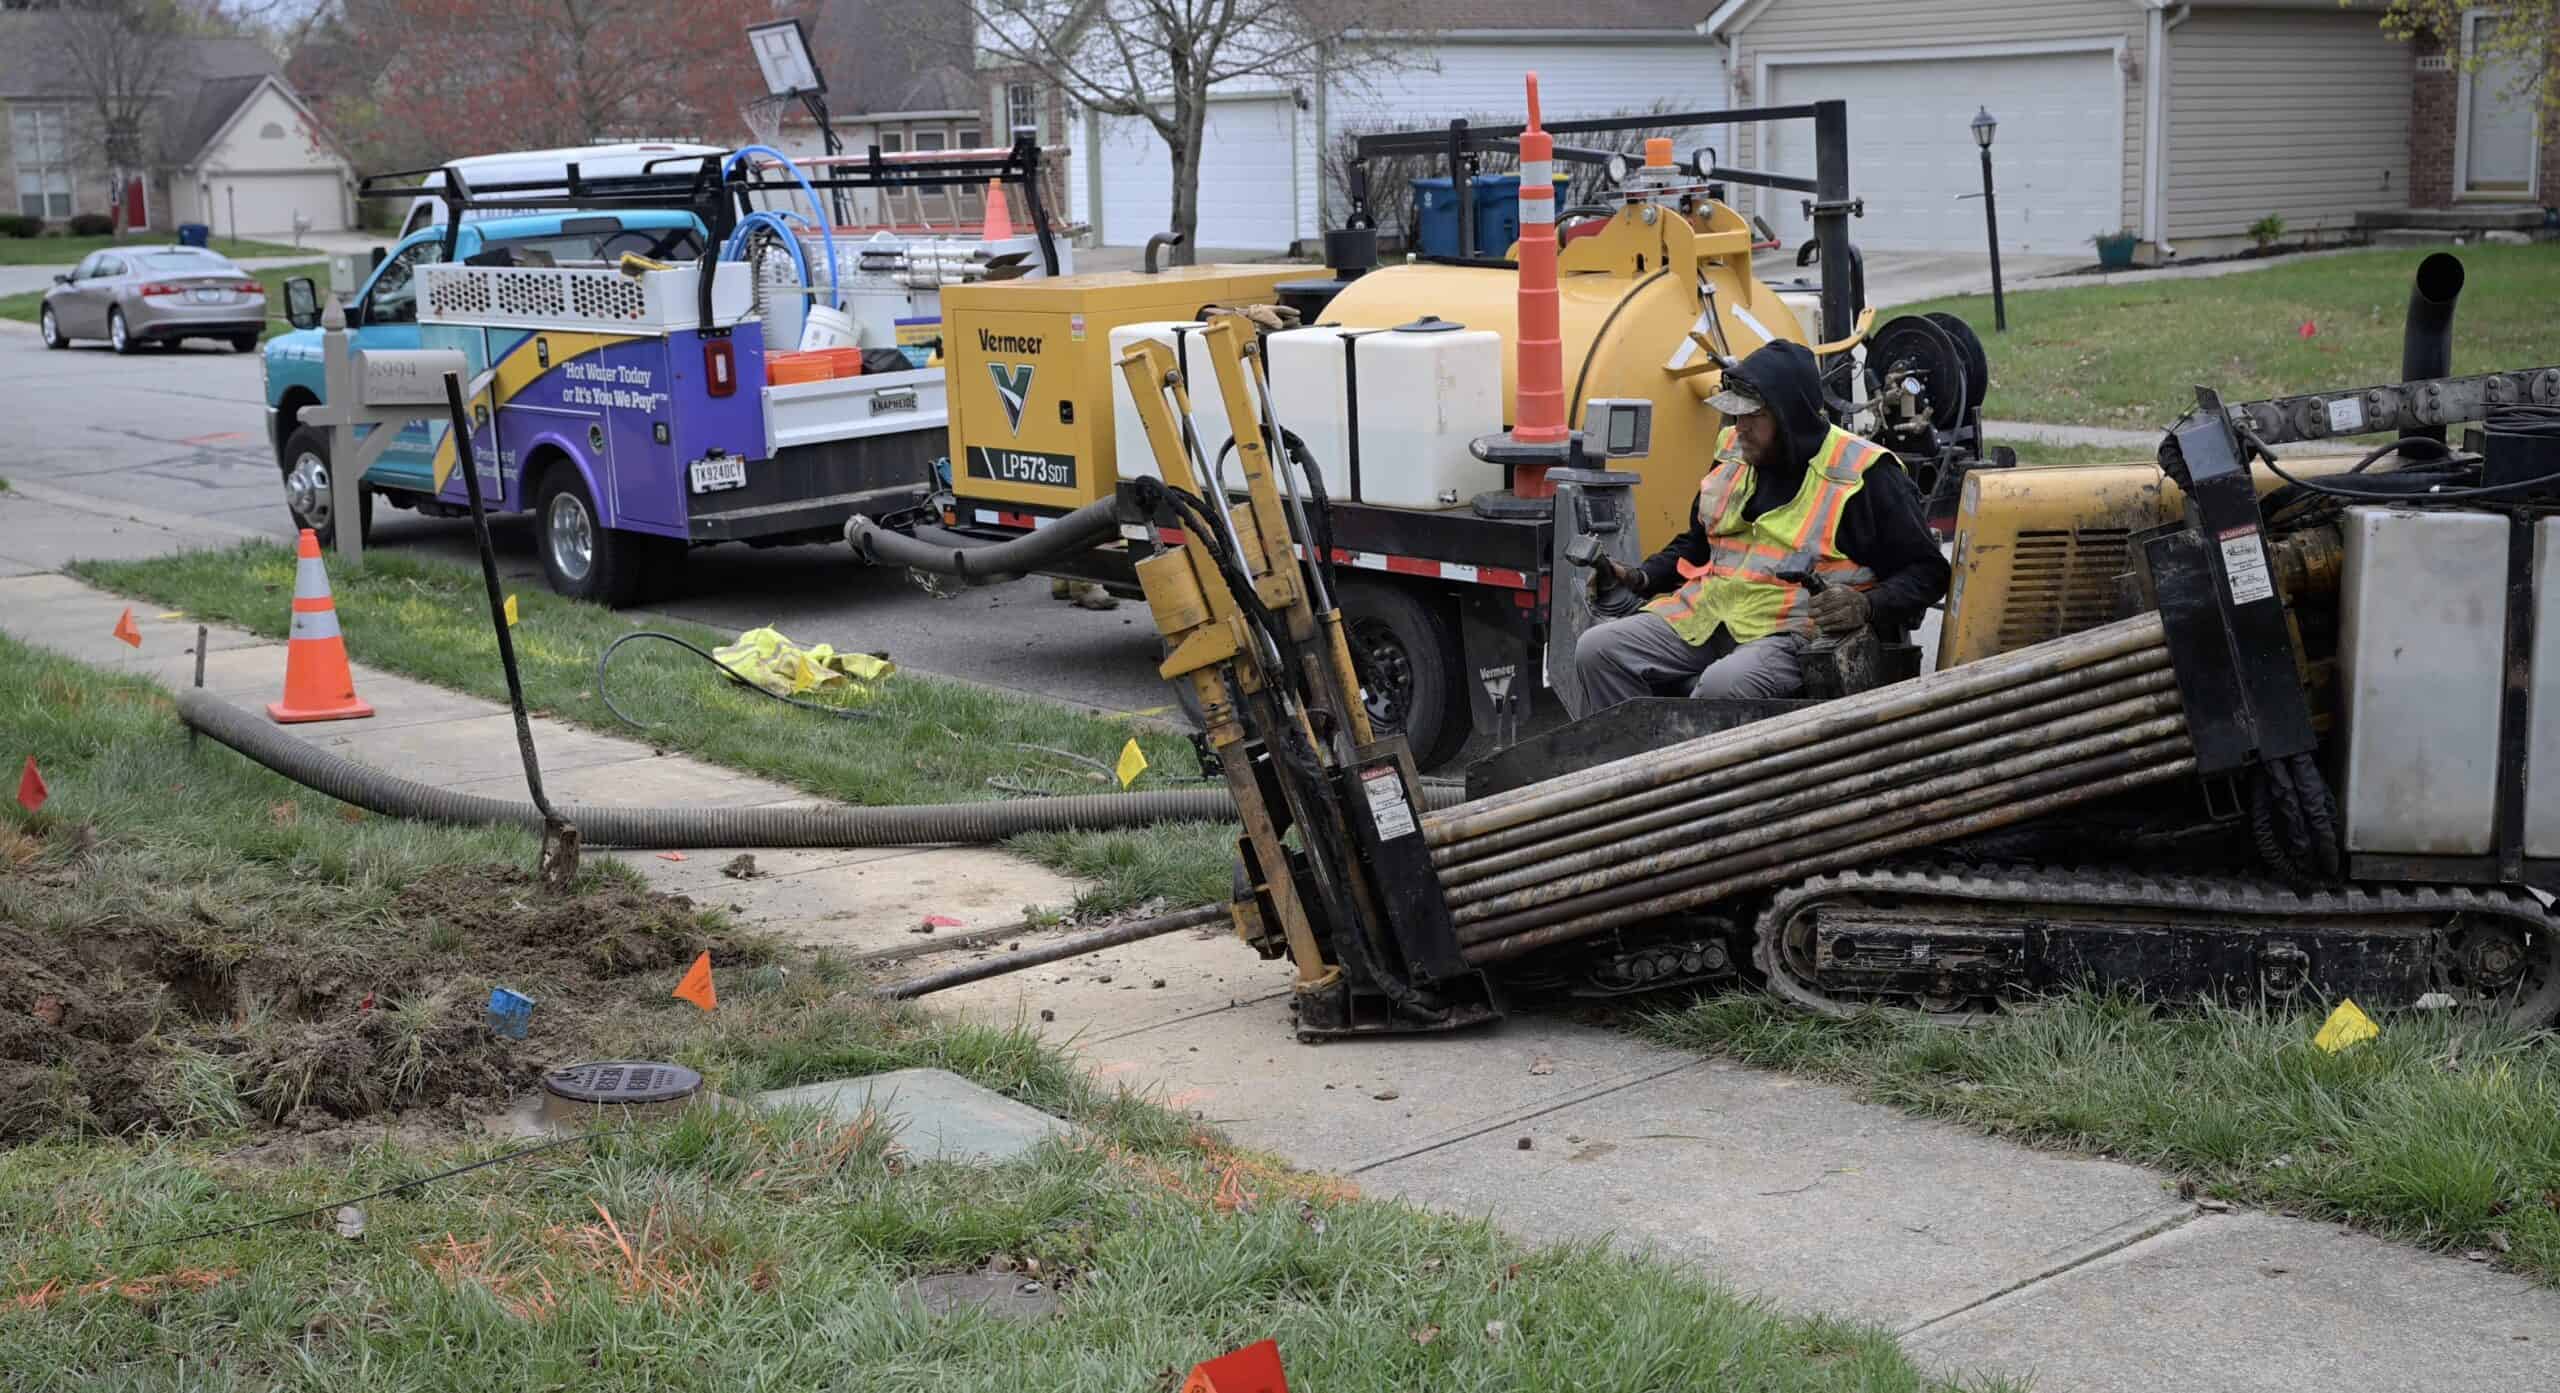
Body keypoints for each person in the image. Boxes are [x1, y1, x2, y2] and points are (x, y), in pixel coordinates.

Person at [1574, 339, 1949, 707]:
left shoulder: (1864, 474)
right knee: (1597, 651)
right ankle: (1632, 765)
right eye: (1735, 414)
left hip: (1794, 633)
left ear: (1790, 416)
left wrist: (1866, 606)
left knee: (1722, 687)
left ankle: (1707, 770)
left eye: (1753, 415)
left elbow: (1928, 572)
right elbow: (1698, 545)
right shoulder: (1735, 454)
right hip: (1711, 616)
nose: (1739, 428)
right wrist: (1640, 577)